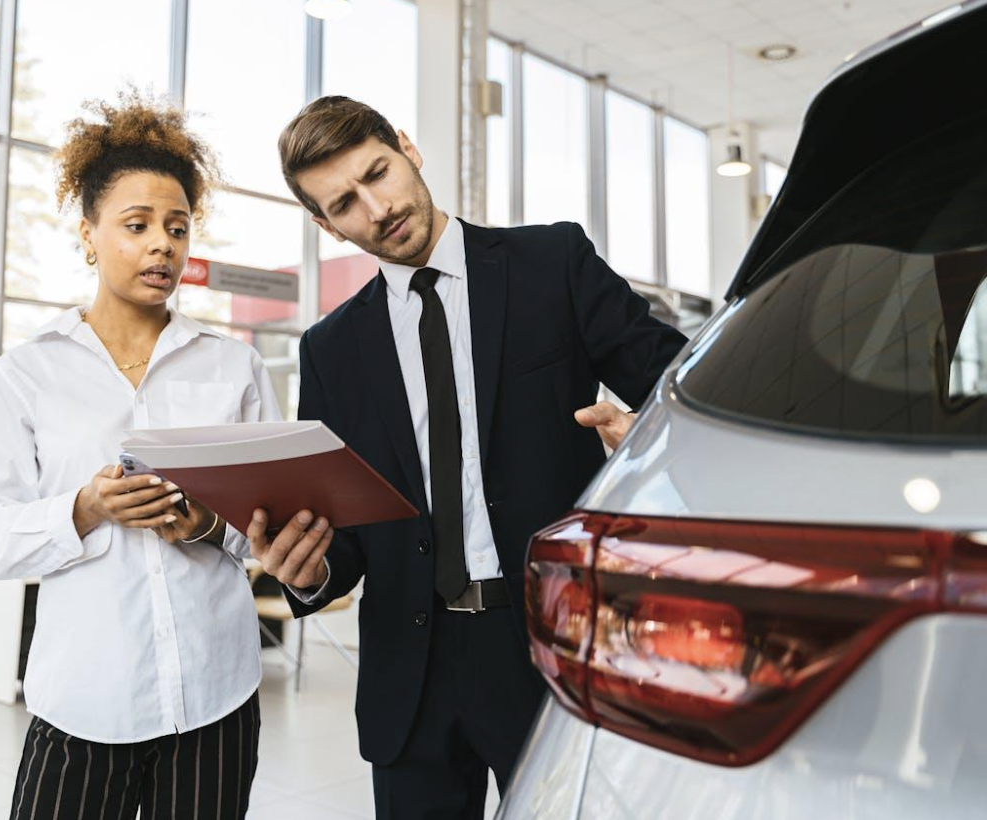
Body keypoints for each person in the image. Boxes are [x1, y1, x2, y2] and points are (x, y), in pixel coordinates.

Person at [246, 96, 688, 819]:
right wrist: (310, 567)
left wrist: (646, 446)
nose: (377, 207)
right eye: (345, 204)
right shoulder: (330, 351)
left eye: (378, 173)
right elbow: (343, 535)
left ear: (408, 148)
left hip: (549, 647)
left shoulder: (552, 263)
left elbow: (682, 387)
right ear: (325, 225)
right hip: (408, 679)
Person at [0, 94, 278, 820]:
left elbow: (267, 528)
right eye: (137, 226)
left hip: (215, 698)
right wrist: (84, 508)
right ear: (89, 235)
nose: (162, 245)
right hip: (83, 701)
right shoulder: (27, 374)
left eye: (177, 228)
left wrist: (202, 526)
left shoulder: (234, 369)